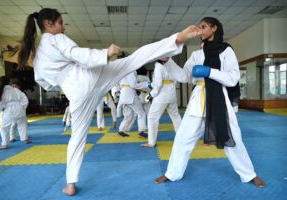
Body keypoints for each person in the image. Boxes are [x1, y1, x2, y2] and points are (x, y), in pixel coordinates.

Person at [18, 8, 202, 196]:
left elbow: (45, 83)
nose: (63, 28)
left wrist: (66, 82)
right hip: (88, 78)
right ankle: (178, 38)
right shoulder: (55, 39)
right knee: (134, 60)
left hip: (75, 93)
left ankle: (70, 183)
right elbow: (75, 53)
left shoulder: (39, 57)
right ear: (49, 24)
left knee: (77, 136)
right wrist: (105, 54)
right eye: (60, 23)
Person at [155, 17, 265, 188]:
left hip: (219, 99)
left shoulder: (226, 51)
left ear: (214, 29)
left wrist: (209, 72)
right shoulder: (196, 54)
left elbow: (233, 78)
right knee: (183, 138)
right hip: (198, 99)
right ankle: (172, 173)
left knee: (232, 138)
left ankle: (249, 174)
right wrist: (167, 62)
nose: (200, 30)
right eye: (199, 27)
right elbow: (184, 76)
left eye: (204, 27)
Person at [141, 57, 182, 148]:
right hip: (172, 93)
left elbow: (158, 84)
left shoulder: (158, 66)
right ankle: (182, 139)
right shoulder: (171, 64)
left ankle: (151, 142)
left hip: (161, 96)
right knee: (176, 117)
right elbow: (176, 79)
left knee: (152, 117)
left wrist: (152, 94)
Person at [0, 76, 31, 150]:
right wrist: (23, 107)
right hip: (19, 108)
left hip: (9, 110)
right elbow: (24, 98)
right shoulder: (16, 90)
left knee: (4, 128)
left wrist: (1, 109)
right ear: (9, 82)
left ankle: (5, 144)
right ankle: (25, 139)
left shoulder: (1, 91)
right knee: (22, 124)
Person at [117, 71, 150, 137]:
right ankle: (141, 130)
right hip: (130, 95)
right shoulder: (131, 71)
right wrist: (147, 84)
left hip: (123, 94)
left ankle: (121, 130)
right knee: (141, 113)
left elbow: (118, 84)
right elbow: (134, 85)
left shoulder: (121, 72)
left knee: (128, 115)